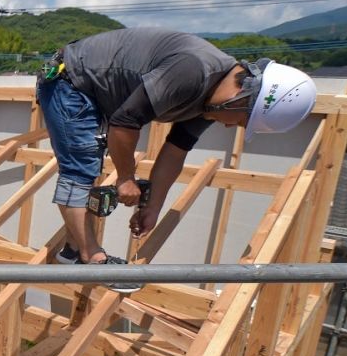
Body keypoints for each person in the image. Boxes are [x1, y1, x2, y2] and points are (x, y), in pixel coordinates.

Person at [37, 27, 316, 292]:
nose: (232, 127)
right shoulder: (192, 72)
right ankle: (91, 259)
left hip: (95, 90)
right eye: (242, 121)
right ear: (241, 97)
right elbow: (124, 123)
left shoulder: (209, 104)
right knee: (81, 165)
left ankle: (73, 251)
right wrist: (125, 178)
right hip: (69, 80)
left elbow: (175, 150)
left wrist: (153, 207)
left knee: (88, 162)